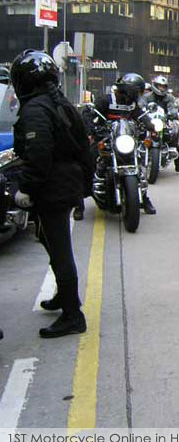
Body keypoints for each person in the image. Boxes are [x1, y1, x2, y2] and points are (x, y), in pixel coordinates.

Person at [10, 50, 91, 338]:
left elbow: (38, 153)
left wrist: (27, 188)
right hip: (66, 183)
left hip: (52, 187)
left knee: (59, 248)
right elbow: (84, 147)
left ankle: (72, 315)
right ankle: (64, 296)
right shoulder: (61, 103)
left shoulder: (37, 109)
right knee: (50, 241)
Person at [81, 73, 157, 217]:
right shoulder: (106, 100)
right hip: (106, 137)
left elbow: (141, 116)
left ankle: (143, 198)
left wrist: (151, 125)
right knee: (89, 158)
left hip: (125, 139)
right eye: (137, 92)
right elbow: (91, 115)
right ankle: (81, 200)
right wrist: (92, 129)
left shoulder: (132, 104)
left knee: (139, 163)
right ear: (128, 90)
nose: (138, 95)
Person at [140, 76, 179, 175]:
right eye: (160, 86)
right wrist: (141, 112)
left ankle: (178, 166)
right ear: (155, 86)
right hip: (149, 121)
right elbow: (141, 105)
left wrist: (173, 113)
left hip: (163, 121)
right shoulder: (147, 97)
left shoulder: (169, 97)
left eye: (163, 86)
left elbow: (172, 107)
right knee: (138, 135)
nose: (161, 88)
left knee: (173, 138)